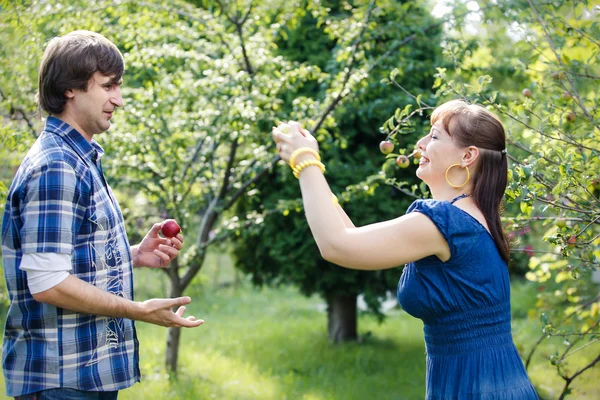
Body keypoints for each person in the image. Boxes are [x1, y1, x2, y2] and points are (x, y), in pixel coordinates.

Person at [272, 100, 538, 399]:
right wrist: (313, 172)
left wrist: (305, 160)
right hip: (496, 383)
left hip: (474, 387)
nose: (420, 144)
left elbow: (337, 245)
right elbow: (350, 237)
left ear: (468, 155)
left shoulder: (444, 222)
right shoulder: (470, 216)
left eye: (434, 137)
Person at [1, 31, 203, 400]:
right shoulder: (56, 166)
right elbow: (49, 283)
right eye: (109, 86)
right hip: (61, 380)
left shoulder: (80, 159)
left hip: (83, 375)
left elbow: (66, 259)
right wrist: (137, 310)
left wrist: (133, 254)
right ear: (70, 89)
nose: (119, 100)